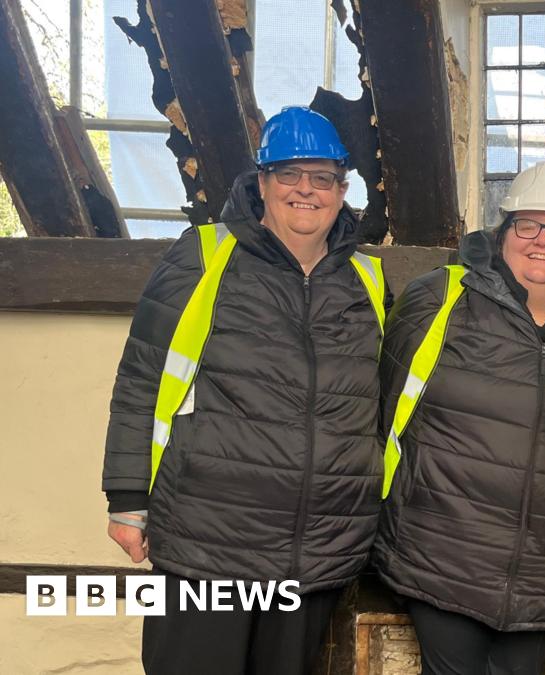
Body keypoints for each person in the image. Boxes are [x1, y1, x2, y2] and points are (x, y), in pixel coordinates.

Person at [102, 106, 388, 675]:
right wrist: (127, 500)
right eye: (289, 174)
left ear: (342, 188)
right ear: (262, 183)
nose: (305, 190)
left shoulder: (369, 279)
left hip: (315, 550)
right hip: (211, 541)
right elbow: (142, 378)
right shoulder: (204, 256)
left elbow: (374, 410)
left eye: (322, 177)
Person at [373, 161, 545, 674]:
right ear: (501, 235)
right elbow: (383, 409)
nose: (544, 240)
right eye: (527, 225)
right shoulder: (441, 299)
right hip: (444, 554)